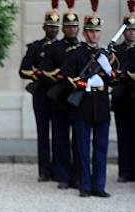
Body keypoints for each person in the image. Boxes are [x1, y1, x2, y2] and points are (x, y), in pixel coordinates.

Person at [63, 4, 115, 198]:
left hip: (101, 105)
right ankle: (85, 185)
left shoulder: (104, 55)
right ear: (84, 33)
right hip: (83, 105)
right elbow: (68, 78)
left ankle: (98, 186)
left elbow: (113, 79)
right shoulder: (76, 53)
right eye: (91, 31)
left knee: (101, 148)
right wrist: (86, 83)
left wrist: (108, 69)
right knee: (83, 149)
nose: (94, 35)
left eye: (97, 32)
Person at [19, 1, 61, 182]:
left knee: (59, 135)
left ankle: (59, 170)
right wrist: (38, 73)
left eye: (55, 27)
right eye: (49, 26)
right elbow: (23, 70)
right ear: (44, 27)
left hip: (58, 96)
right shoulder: (36, 47)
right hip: (41, 94)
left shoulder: (62, 48)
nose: (52, 29)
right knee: (43, 134)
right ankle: (44, 170)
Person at [41, 0, 81, 189]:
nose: (72, 30)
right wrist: (63, 78)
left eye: (75, 26)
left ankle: (77, 176)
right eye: (69, 26)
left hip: (78, 101)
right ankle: (63, 176)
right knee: (61, 140)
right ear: (63, 28)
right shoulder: (54, 49)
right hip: (60, 101)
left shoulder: (82, 49)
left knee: (78, 142)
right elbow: (47, 75)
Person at [112, 4, 135, 183]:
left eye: (134, 30)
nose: (132, 33)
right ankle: (124, 171)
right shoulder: (117, 51)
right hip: (121, 98)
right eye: (128, 30)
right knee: (123, 135)